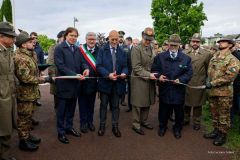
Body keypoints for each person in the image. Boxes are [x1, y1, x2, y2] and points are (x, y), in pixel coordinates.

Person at [14, 30, 51, 151]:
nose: (33, 42)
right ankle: (23, 141)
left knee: (29, 116)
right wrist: (43, 79)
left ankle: (27, 136)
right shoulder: (20, 57)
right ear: (23, 44)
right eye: (30, 41)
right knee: (24, 118)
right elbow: (25, 78)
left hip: (31, 93)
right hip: (24, 94)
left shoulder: (28, 54)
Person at [151, 34, 192, 139]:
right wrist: (159, 76)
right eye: (171, 45)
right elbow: (154, 70)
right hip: (165, 88)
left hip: (179, 90)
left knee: (179, 111)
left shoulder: (186, 58)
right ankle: (162, 126)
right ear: (168, 44)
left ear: (179, 45)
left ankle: (177, 128)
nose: (173, 47)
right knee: (163, 110)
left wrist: (181, 80)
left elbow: (189, 73)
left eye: (175, 45)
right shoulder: (159, 57)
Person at [54, 27, 89, 144]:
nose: (73, 38)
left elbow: (83, 62)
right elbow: (60, 66)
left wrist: (86, 69)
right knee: (62, 111)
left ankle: (69, 128)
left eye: (75, 36)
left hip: (75, 86)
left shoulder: (78, 49)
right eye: (71, 36)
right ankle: (61, 132)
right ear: (66, 36)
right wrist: (75, 74)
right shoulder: (59, 48)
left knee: (71, 110)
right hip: (64, 86)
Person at [203, 36, 239, 146]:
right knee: (214, 113)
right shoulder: (215, 56)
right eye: (220, 41)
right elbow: (210, 71)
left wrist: (212, 83)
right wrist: (208, 79)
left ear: (230, 45)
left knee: (224, 115)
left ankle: (222, 135)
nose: (220, 43)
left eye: (224, 41)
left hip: (224, 93)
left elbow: (229, 77)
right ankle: (215, 130)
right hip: (212, 92)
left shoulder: (233, 60)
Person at [96, 30, 128, 137]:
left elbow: (125, 66)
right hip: (105, 83)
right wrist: (107, 74)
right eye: (112, 39)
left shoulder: (122, 51)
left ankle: (115, 126)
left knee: (115, 106)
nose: (114, 41)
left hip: (117, 84)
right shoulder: (102, 50)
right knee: (103, 105)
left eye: (116, 39)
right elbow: (99, 66)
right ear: (108, 38)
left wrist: (124, 72)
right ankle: (102, 126)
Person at [184, 33, 212, 130]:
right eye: (193, 41)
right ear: (190, 42)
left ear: (200, 42)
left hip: (199, 82)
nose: (195, 43)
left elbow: (209, 69)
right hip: (187, 82)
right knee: (186, 103)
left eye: (197, 41)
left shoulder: (207, 54)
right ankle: (185, 119)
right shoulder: (184, 52)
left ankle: (197, 121)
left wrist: (208, 81)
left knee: (197, 104)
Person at [131, 27, 156, 135]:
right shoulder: (136, 49)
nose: (148, 41)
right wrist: (149, 74)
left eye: (150, 39)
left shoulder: (152, 48)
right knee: (138, 103)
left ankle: (144, 121)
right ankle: (136, 124)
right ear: (142, 36)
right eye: (146, 39)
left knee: (147, 101)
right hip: (139, 79)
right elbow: (136, 68)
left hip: (150, 79)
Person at [0, 22, 17, 160]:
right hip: (1, 95)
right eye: (10, 36)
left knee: (7, 127)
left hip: (8, 94)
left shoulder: (7, 50)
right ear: (1, 36)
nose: (13, 39)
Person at [78, 32, 99, 133]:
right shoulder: (80, 50)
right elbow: (79, 63)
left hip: (93, 83)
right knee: (82, 105)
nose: (92, 41)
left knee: (91, 105)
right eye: (90, 39)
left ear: (96, 40)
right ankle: (83, 123)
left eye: (93, 39)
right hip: (82, 83)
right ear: (86, 40)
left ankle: (90, 122)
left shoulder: (99, 50)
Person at [47, 30, 65, 114]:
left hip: (66, 75)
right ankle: (58, 112)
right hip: (57, 74)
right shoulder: (53, 47)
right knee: (57, 95)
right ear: (59, 38)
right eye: (64, 37)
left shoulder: (68, 47)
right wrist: (53, 74)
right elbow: (50, 61)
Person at [118, 30, 127, 106]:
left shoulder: (126, 46)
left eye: (122, 37)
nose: (121, 38)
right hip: (116, 69)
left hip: (124, 69)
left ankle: (122, 100)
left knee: (123, 85)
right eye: (119, 37)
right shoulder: (114, 45)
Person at [125, 36, 133, 112]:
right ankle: (130, 106)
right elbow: (126, 63)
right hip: (130, 74)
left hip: (137, 74)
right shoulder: (126, 49)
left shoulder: (135, 49)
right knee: (130, 91)